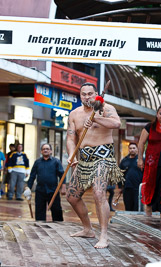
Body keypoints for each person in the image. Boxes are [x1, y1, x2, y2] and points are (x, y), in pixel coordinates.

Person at [66, 82, 124, 249]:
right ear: (80, 95)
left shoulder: (106, 108)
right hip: (83, 159)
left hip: (103, 157)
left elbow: (116, 123)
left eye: (90, 93)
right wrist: (71, 155)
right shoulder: (74, 114)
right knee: (72, 197)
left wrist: (96, 118)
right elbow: (71, 138)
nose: (87, 97)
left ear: (96, 94)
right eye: (83, 94)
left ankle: (104, 235)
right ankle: (87, 229)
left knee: (99, 194)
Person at [24, 143, 66, 221]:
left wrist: (63, 187)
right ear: (41, 151)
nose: (45, 150)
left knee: (57, 210)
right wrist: (28, 188)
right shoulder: (37, 162)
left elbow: (62, 175)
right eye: (44, 149)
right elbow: (32, 176)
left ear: (51, 151)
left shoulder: (56, 162)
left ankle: (59, 227)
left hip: (53, 190)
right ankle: (40, 227)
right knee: (39, 212)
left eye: (47, 149)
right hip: (40, 190)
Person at [118, 142, 143, 211]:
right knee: (128, 207)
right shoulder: (124, 161)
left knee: (137, 207)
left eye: (134, 148)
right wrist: (120, 186)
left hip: (138, 189)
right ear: (128, 149)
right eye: (130, 148)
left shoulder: (141, 160)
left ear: (137, 149)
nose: (132, 150)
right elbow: (120, 174)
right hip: (127, 188)